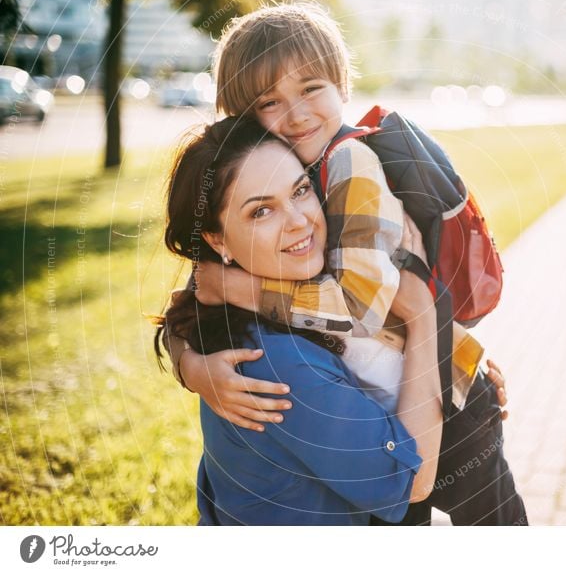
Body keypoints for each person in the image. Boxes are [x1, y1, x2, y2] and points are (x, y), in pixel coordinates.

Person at [166, 2, 527, 526]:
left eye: (311, 88)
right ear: (242, 120)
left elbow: (358, 305)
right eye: (269, 102)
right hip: (389, 407)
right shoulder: (282, 175)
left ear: (342, 86)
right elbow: (192, 297)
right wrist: (194, 368)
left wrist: (242, 290)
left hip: (445, 404)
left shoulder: (351, 164)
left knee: (499, 528)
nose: (297, 114)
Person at [155, 116, 443, 525]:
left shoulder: (266, 304)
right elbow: (413, 481)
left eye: (301, 190)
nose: (299, 220)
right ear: (217, 241)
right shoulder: (279, 363)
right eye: (261, 211)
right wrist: (424, 319)